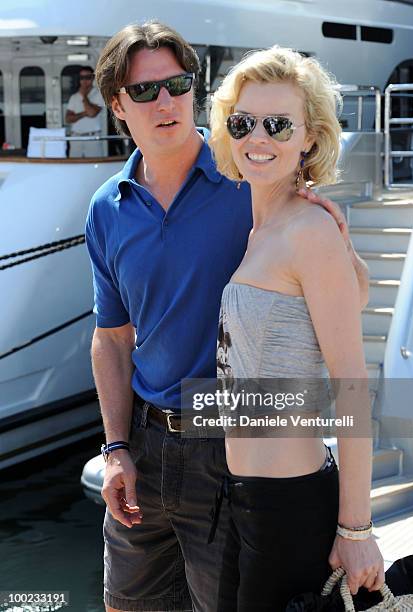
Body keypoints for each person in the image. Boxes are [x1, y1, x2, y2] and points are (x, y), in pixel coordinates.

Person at [85, 21, 369, 612]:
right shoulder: (106, 209)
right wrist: (116, 446)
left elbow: (343, 321)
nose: (166, 102)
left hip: (233, 447)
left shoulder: (250, 179)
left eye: (178, 84)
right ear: (117, 105)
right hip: (144, 439)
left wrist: (355, 527)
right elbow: (112, 338)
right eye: (144, 91)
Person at [208, 46, 384, 611]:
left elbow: (352, 383)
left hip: (289, 507)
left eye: (278, 124)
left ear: (309, 136)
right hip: (246, 498)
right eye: (243, 122)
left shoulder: (309, 230)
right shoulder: (264, 230)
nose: (258, 137)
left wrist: (356, 530)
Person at [65, 65, 105, 157]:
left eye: (87, 77)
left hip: (92, 138)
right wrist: (84, 113)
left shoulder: (98, 95)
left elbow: (92, 113)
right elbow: (68, 119)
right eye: (82, 77)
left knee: (95, 165)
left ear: (93, 78)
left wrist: (84, 96)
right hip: (76, 138)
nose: (84, 80)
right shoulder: (74, 97)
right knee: (75, 166)